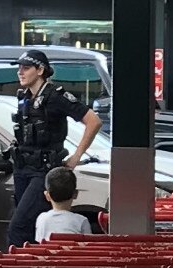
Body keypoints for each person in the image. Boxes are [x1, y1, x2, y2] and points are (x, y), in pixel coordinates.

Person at [6, 49, 102, 247]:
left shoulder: (56, 96)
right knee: (31, 226)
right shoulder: (24, 96)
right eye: (19, 68)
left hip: (43, 170)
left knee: (18, 227)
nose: (20, 72)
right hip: (22, 167)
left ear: (40, 70)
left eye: (26, 68)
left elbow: (93, 121)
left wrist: (77, 156)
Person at [35, 167, 92, 242]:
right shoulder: (81, 221)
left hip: (48, 253)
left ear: (47, 195)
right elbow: (88, 245)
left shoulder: (41, 218)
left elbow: (40, 243)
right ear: (75, 194)